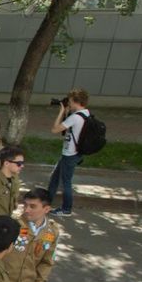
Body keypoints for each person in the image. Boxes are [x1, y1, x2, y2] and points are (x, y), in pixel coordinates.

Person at [46, 88, 91, 217]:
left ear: (76, 101)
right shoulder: (86, 113)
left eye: (70, 101)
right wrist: (67, 112)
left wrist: (61, 112)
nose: (69, 104)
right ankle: (46, 202)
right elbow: (66, 132)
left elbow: (55, 129)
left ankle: (66, 209)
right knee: (55, 178)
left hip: (70, 154)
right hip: (75, 153)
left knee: (66, 182)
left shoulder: (76, 117)